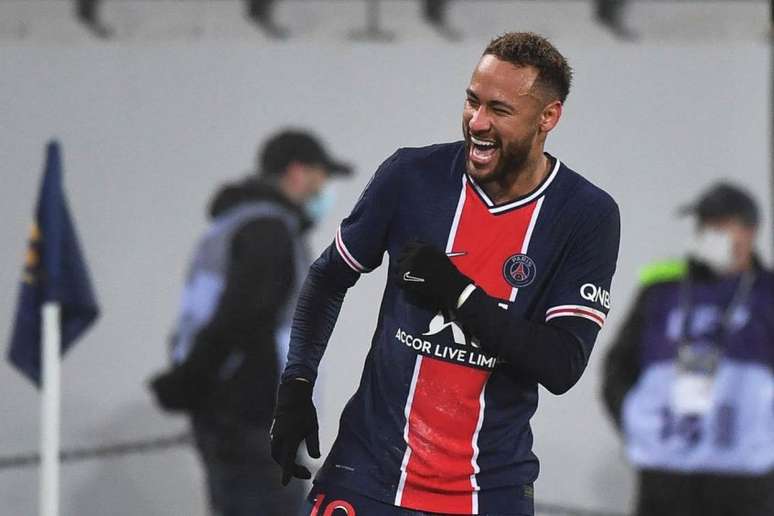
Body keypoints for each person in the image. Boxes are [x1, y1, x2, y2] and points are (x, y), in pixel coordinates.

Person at [270, 32, 621, 516]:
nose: (477, 122)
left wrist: (458, 294)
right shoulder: (411, 176)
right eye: (472, 101)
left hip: (488, 491)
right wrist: (295, 385)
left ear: (548, 117)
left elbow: (561, 364)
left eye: (499, 110)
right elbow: (328, 278)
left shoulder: (586, 215)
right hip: (367, 474)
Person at [149, 129, 351, 516]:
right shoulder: (268, 231)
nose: (323, 188)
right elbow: (244, 315)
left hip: (228, 408)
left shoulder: (235, 224)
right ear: (296, 172)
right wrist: (191, 381)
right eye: (319, 175)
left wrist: (189, 383)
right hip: (251, 413)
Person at [602, 182, 774, 516]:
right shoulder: (663, 289)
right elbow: (619, 365)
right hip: (667, 475)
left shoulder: (768, 295)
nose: (708, 234)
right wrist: (635, 420)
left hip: (743, 479)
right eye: (704, 225)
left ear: (749, 232)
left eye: (720, 226)